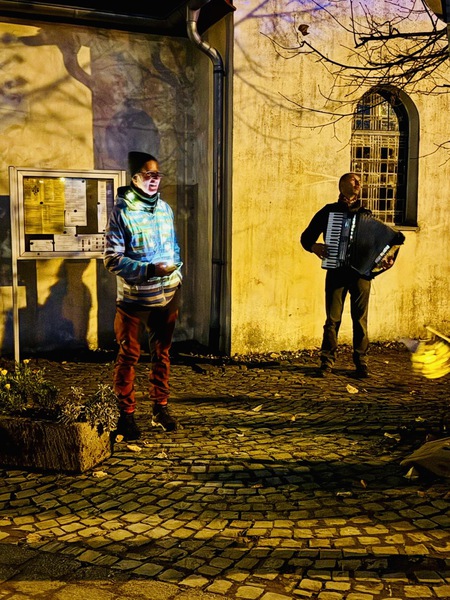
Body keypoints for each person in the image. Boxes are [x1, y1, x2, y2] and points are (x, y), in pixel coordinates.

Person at [104, 151, 183, 440]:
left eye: (157, 175)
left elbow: (174, 245)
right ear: (135, 178)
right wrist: (148, 270)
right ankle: (126, 415)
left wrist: (176, 270)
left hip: (168, 294)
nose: (154, 180)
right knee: (129, 355)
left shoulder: (164, 209)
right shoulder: (122, 212)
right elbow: (112, 259)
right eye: (149, 175)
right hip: (134, 300)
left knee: (162, 354)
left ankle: (160, 409)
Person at [300, 172, 392, 379]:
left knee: (360, 320)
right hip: (336, 271)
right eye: (354, 180)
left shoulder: (367, 215)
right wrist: (314, 247)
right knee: (332, 319)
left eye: (359, 181)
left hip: (361, 275)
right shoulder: (328, 212)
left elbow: (378, 246)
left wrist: (383, 260)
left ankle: (361, 363)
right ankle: (327, 361)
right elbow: (306, 237)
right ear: (342, 186)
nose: (359, 183)